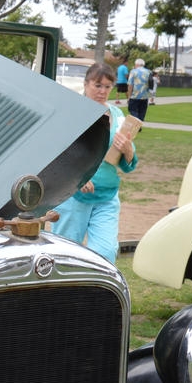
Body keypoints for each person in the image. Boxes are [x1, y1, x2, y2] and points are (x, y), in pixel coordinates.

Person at [51, 62, 137, 264]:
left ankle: (98, 295)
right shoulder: (71, 112)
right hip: (73, 195)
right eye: (97, 86)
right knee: (66, 255)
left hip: (107, 196)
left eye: (107, 87)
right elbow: (54, 155)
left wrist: (128, 150)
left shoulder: (117, 116)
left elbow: (128, 164)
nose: (102, 91)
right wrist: (78, 178)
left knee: (105, 252)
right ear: (86, 84)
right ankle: (61, 294)